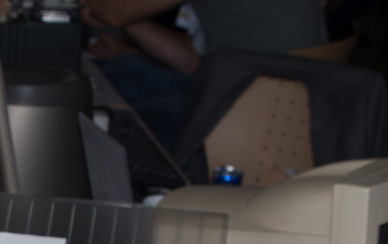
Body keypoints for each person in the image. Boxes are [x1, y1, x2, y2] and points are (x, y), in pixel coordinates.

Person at [81, 0, 328, 149]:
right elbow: (192, 62)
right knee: (123, 70)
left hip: (255, 109)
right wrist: (129, 22)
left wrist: (113, 13)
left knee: (103, 119)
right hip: (289, 96)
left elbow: (113, 10)